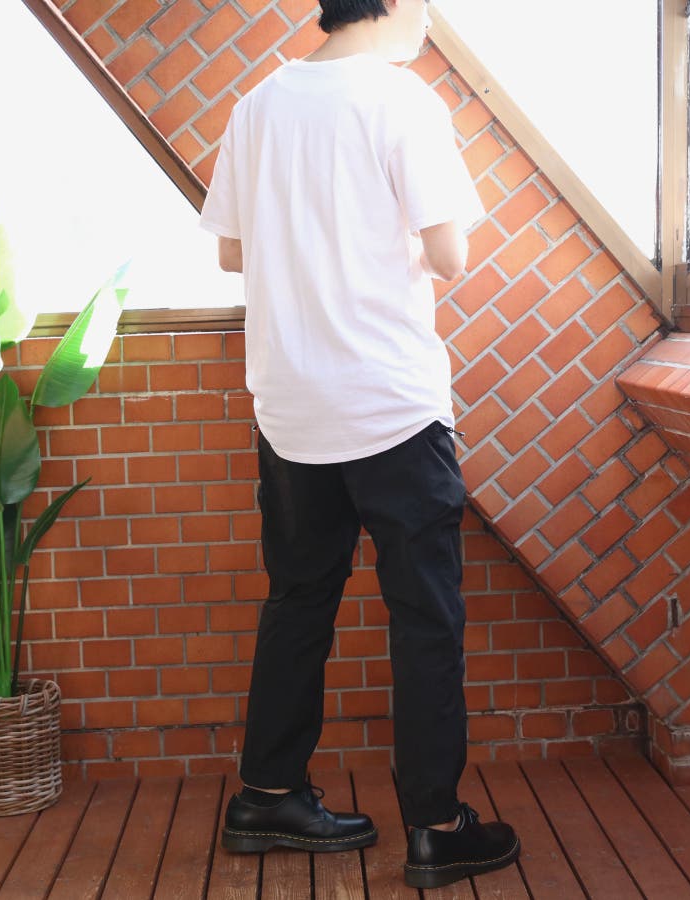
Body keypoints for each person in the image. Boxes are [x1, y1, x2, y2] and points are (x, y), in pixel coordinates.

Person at [199, 0, 520, 888]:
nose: (431, 20)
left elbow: (231, 254)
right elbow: (450, 256)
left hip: (290, 409)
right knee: (425, 616)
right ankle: (436, 826)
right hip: (390, 407)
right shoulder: (401, 99)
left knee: (299, 599)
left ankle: (267, 794)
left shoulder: (257, 105)